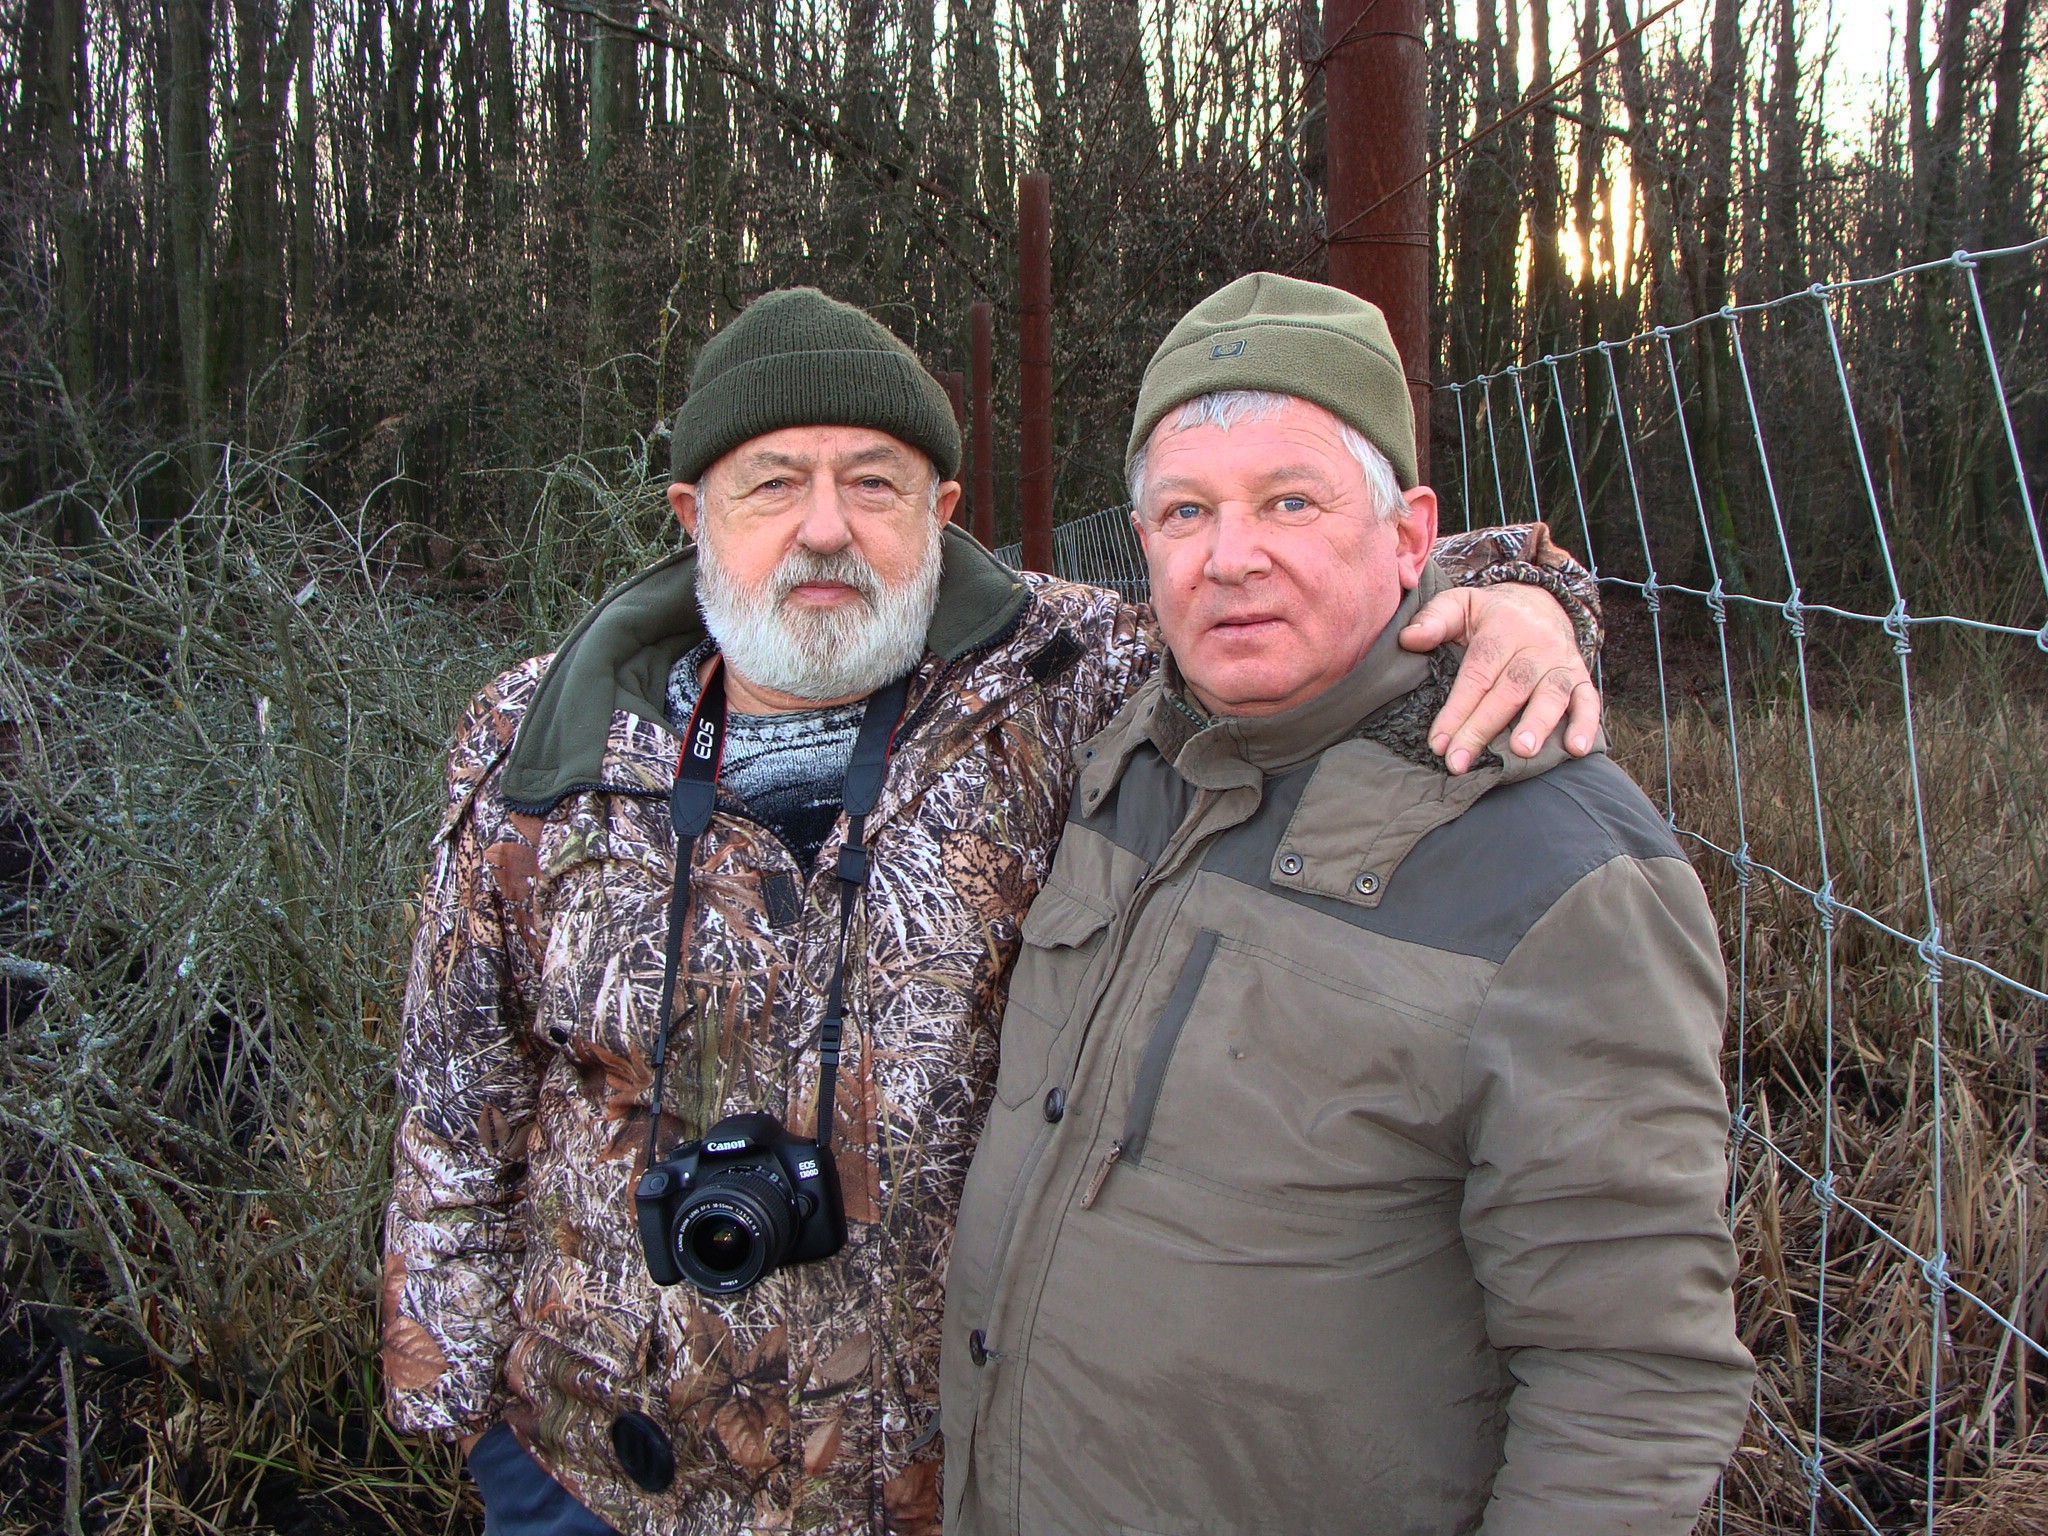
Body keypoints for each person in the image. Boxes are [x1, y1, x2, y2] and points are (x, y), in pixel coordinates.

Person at [380, 286, 1602, 1536]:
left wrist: (1522, 603)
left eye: (874, 484)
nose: (823, 528)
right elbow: (457, 1100)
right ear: (694, 516)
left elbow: (1309, 584)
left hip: (948, 1483)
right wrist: (468, 1428)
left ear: (942, 511)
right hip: (597, 1473)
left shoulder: (1071, 675)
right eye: (771, 484)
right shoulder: (537, 739)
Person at [940, 273, 1755, 1536]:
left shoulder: (1562, 871)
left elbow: (1629, 1381)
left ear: (1411, 535)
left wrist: (1534, 599)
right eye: (1186, 511)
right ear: (1142, 540)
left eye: (1291, 501)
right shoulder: (1121, 756)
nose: (1230, 557)